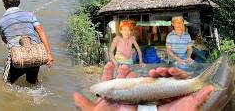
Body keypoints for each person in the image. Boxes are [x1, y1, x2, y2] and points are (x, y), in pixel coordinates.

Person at [74, 62, 214, 111]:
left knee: (160, 74)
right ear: (109, 91)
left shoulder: (113, 90)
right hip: (154, 90)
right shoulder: (113, 90)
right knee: (159, 74)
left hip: (153, 92)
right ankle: (196, 83)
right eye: (99, 95)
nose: (96, 92)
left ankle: (195, 83)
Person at [0, 0, 54, 85]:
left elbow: (5, 40)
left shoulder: (1, 22)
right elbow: (40, 31)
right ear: (19, 1)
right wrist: (48, 54)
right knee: (32, 83)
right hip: (35, 55)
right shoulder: (30, 15)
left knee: (6, 84)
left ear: (3, 2)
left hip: (18, 57)